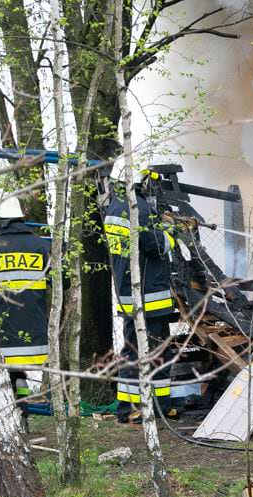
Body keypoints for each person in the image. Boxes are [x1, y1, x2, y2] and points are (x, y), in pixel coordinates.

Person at [104, 177, 177, 424]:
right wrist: (169, 228)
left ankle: (152, 406)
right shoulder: (138, 207)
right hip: (148, 297)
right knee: (152, 352)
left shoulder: (115, 207)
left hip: (129, 294)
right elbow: (155, 245)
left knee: (138, 351)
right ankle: (137, 408)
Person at [0, 191, 51, 428]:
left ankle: (13, 420)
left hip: (0, 336)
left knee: (5, 376)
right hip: (35, 337)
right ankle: (22, 414)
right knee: (18, 376)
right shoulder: (41, 246)